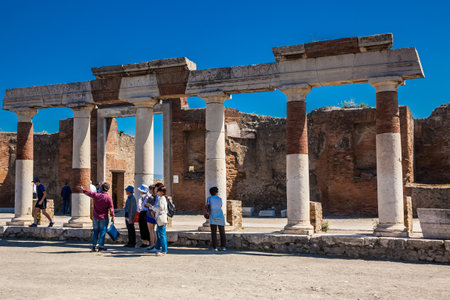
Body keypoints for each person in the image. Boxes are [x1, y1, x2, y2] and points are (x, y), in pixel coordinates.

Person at [81, 182, 115, 252]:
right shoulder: (108, 198)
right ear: (107, 190)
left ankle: (94, 246)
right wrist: (113, 217)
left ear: (101, 188)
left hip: (96, 217)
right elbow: (111, 208)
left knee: (95, 232)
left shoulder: (96, 195)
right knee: (102, 232)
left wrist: (83, 190)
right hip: (104, 217)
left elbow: (89, 193)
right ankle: (100, 247)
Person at [148, 186, 168, 256]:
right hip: (159, 217)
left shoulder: (162, 198)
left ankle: (164, 250)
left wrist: (152, 207)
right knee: (159, 233)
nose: (157, 192)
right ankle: (158, 247)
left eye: (158, 191)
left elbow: (161, 208)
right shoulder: (162, 198)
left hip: (161, 217)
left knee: (162, 235)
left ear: (162, 192)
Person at [206, 186, 226, 251]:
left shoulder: (209, 198)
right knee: (222, 232)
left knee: (214, 232)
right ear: (217, 192)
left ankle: (214, 247)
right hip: (220, 215)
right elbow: (220, 206)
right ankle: (223, 247)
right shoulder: (220, 199)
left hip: (212, 215)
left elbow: (208, 206)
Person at [144, 183, 163, 250]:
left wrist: (147, 205)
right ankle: (154, 244)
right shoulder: (157, 197)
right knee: (153, 230)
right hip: (154, 215)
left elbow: (148, 205)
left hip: (150, 214)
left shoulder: (152, 197)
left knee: (151, 231)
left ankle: (152, 244)